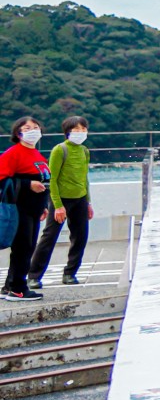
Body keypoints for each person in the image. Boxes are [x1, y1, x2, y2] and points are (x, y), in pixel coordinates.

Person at [29, 116, 92, 288]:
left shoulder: (84, 151)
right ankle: (34, 276)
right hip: (61, 199)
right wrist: (57, 206)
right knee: (49, 237)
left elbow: (84, 178)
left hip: (80, 199)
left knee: (80, 237)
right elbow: (53, 180)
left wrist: (88, 202)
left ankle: (70, 273)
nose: (80, 133)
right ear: (67, 132)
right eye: (76, 130)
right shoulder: (60, 150)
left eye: (83, 129)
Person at [1, 119, 51, 301]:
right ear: (18, 133)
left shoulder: (36, 154)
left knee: (27, 247)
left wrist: (43, 205)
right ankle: (18, 288)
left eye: (36, 127)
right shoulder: (13, 154)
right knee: (23, 248)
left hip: (34, 209)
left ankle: (9, 285)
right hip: (18, 208)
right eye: (27, 128)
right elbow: (2, 180)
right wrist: (28, 184)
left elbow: (45, 182)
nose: (33, 131)